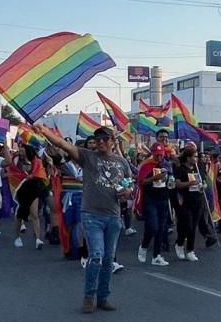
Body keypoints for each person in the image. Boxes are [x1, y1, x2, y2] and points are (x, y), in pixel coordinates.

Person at [36, 124, 131, 313]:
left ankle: (103, 297)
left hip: (113, 217)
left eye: (105, 139)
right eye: (98, 139)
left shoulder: (122, 162)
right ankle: (89, 296)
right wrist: (45, 131)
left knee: (107, 259)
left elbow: (128, 185)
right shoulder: (88, 157)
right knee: (96, 255)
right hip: (91, 215)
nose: (101, 142)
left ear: (113, 141)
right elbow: (64, 145)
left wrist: (127, 192)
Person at [136, 142, 172, 266]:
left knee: (161, 229)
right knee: (152, 226)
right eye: (156, 155)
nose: (159, 157)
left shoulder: (166, 165)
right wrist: (154, 178)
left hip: (163, 198)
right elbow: (141, 182)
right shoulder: (146, 165)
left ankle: (157, 255)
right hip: (150, 199)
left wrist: (170, 181)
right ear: (152, 154)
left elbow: (171, 180)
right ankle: (144, 246)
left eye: (161, 155)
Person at [9, 144, 48, 250]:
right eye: (19, 150)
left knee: (35, 214)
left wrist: (32, 176)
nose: (20, 152)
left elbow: (41, 173)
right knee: (19, 215)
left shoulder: (36, 161)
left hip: (33, 189)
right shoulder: (16, 161)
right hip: (21, 190)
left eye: (22, 150)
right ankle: (17, 237)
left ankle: (38, 238)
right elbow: (12, 172)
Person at [173, 144, 203, 262]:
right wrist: (189, 184)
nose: (196, 159)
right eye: (194, 156)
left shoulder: (197, 169)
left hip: (197, 200)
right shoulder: (180, 169)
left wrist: (202, 186)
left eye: (196, 156)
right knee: (187, 225)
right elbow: (178, 184)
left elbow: (203, 182)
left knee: (193, 227)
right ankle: (179, 243)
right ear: (188, 157)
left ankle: (190, 250)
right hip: (185, 201)